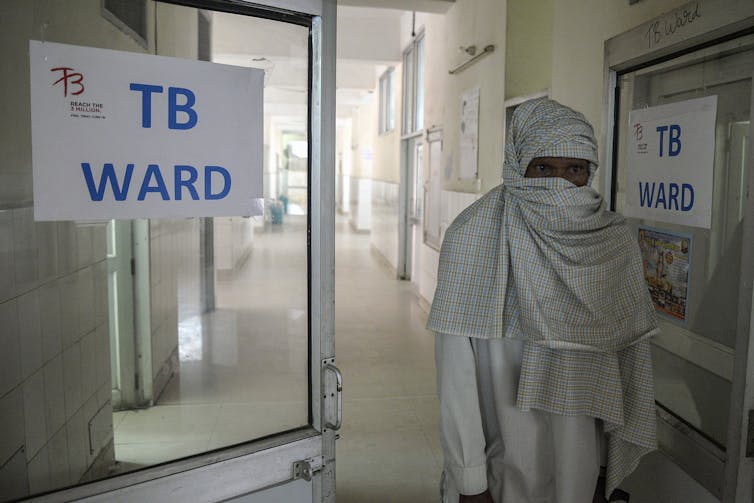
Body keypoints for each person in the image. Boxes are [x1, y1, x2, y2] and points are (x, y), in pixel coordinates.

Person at [427, 98, 658, 503]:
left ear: (590, 173)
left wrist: (610, 467)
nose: (559, 183)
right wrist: (469, 480)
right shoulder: (474, 235)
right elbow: (455, 376)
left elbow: (627, 364)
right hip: (499, 466)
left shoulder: (612, 241)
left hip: (582, 464)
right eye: (544, 168)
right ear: (519, 167)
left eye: (574, 170)